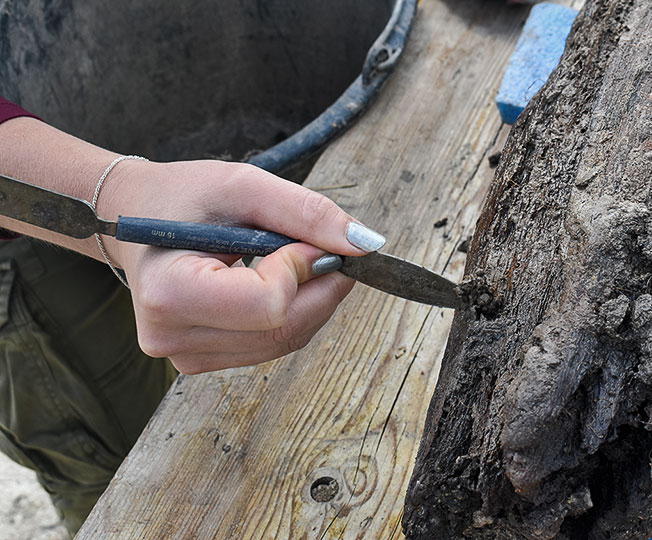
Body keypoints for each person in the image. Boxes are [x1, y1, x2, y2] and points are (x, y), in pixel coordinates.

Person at [0, 97, 379, 534]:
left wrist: (123, 190)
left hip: (83, 148)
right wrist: (113, 192)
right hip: (20, 233)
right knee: (112, 466)